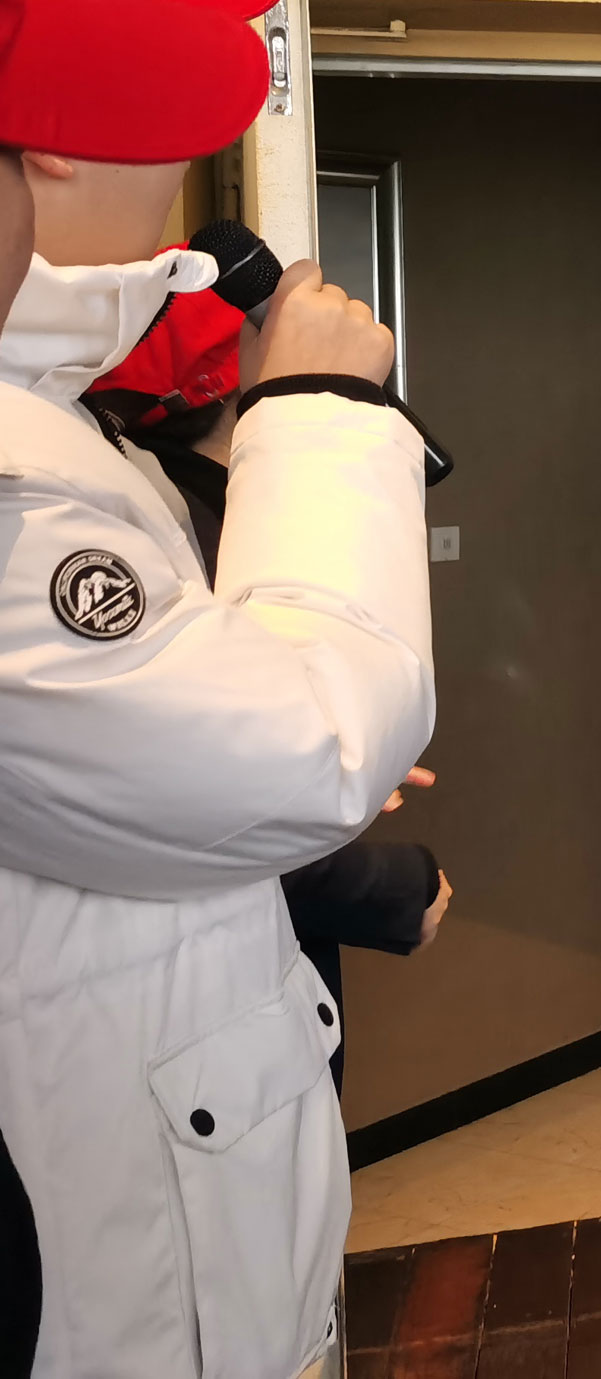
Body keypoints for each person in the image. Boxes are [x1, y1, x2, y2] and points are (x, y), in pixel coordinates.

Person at [0, 0, 435, 1379]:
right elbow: (306, 751)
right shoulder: (16, 491)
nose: (182, 169)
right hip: (120, 1302)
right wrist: (320, 410)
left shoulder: (63, 427)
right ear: (47, 146)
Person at [86, 304, 455, 1094]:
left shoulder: (145, 512)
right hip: (211, 1044)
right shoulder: (194, 540)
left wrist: (346, 754)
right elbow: (200, 800)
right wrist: (394, 886)